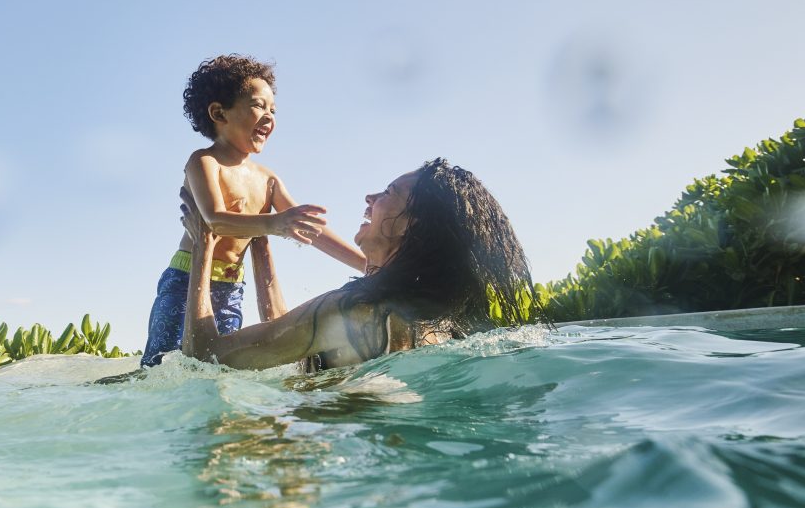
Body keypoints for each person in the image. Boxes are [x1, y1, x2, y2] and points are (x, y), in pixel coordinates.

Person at [180, 158, 546, 370]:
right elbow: (287, 337)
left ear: (410, 225)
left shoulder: (353, 308)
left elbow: (204, 356)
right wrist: (260, 240)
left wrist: (204, 243)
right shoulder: (438, 323)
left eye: (388, 192)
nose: (369, 197)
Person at [139, 55, 366, 367]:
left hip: (232, 287)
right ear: (219, 113)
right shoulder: (204, 162)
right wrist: (275, 223)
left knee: (217, 366)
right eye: (259, 106)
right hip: (186, 279)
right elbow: (213, 219)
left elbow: (311, 230)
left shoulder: (268, 179)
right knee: (160, 366)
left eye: (273, 110)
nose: (269, 116)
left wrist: (366, 265)